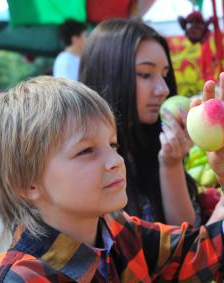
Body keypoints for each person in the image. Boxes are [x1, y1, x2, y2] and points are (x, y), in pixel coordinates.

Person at [0, 75, 224, 282]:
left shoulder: (122, 235)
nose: (115, 161)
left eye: (113, 145)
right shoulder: (19, 278)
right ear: (26, 183)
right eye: (87, 150)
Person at [80, 19, 206, 226]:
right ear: (108, 75)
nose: (163, 89)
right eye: (145, 74)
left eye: (164, 75)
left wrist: (171, 163)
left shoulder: (148, 143)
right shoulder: (86, 166)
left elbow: (184, 237)